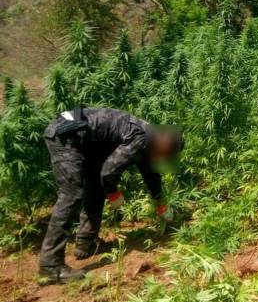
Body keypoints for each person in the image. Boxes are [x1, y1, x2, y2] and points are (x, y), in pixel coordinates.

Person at [38, 107, 183, 284]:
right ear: (165, 144)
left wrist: (161, 203)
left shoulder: (149, 140)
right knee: (71, 194)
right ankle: (51, 266)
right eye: (165, 154)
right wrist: (113, 193)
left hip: (82, 138)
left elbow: (151, 174)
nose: (161, 158)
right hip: (66, 135)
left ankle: (86, 243)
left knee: (95, 186)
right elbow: (108, 172)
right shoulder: (143, 137)